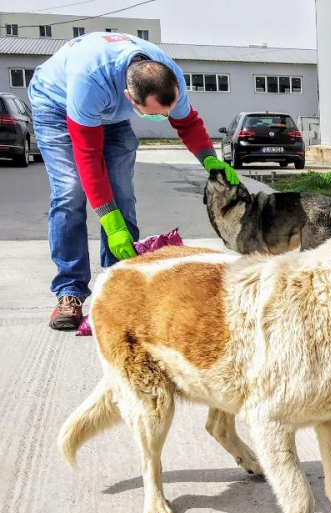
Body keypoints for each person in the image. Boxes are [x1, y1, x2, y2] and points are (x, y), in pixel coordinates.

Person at [28, 32, 240, 330]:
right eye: (155, 115)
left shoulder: (168, 76)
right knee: (70, 192)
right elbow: (88, 157)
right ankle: (70, 292)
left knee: (122, 195)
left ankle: (120, 283)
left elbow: (187, 122)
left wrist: (210, 159)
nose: (163, 117)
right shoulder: (89, 81)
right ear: (131, 97)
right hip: (58, 106)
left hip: (111, 115)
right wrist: (109, 221)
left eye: (165, 111)